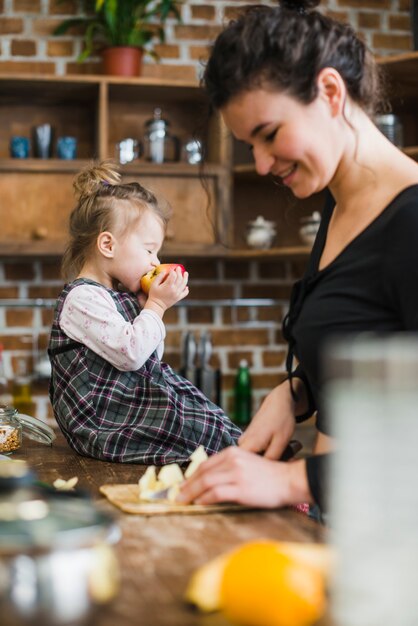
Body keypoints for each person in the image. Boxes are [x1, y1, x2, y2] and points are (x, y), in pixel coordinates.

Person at [178, 0, 418, 515]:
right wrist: (296, 393)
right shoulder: (340, 206)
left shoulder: (411, 220)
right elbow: (379, 350)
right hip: (345, 535)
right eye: (250, 147)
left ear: (330, 92)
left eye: (269, 134)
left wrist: (291, 483)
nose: (262, 164)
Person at [48, 161, 241, 464]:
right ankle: (253, 469)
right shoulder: (82, 298)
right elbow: (131, 354)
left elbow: (152, 359)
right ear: (108, 245)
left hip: (130, 406)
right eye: (149, 250)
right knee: (193, 427)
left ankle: (255, 462)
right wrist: (157, 306)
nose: (155, 261)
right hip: (103, 421)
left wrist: (144, 307)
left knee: (207, 416)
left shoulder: (118, 296)